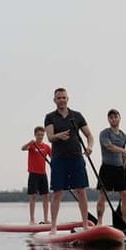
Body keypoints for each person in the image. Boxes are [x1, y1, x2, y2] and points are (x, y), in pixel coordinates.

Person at [44, 88, 94, 234]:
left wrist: (90, 147)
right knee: (57, 193)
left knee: (81, 191)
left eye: (64, 98)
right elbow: (50, 137)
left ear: (68, 99)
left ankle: (85, 225)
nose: (61, 100)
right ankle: (53, 227)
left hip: (76, 157)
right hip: (59, 158)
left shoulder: (76, 116)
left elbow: (89, 136)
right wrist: (59, 135)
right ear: (54, 100)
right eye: (59, 98)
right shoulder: (50, 117)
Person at [96, 109, 126, 225]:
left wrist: (123, 166)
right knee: (103, 196)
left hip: (119, 169)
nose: (113, 119)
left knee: (125, 197)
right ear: (108, 119)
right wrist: (125, 151)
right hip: (107, 168)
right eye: (111, 117)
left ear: (119, 118)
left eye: (115, 117)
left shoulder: (124, 136)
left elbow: (123, 155)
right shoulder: (104, 133)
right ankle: (99, 222)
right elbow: (110, 147)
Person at [21, 126, 51, 224]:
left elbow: (53, 157)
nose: (40, 136)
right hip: (33, 174)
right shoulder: (32, 145)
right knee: (33, 196)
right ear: (35, 135)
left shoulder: (46, 147)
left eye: (42, 135)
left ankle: (46, 219)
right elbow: (23, 148)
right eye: (38, 135)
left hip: (43, 174)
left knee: (46, 196)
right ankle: (32, 219)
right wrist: (29, 143)